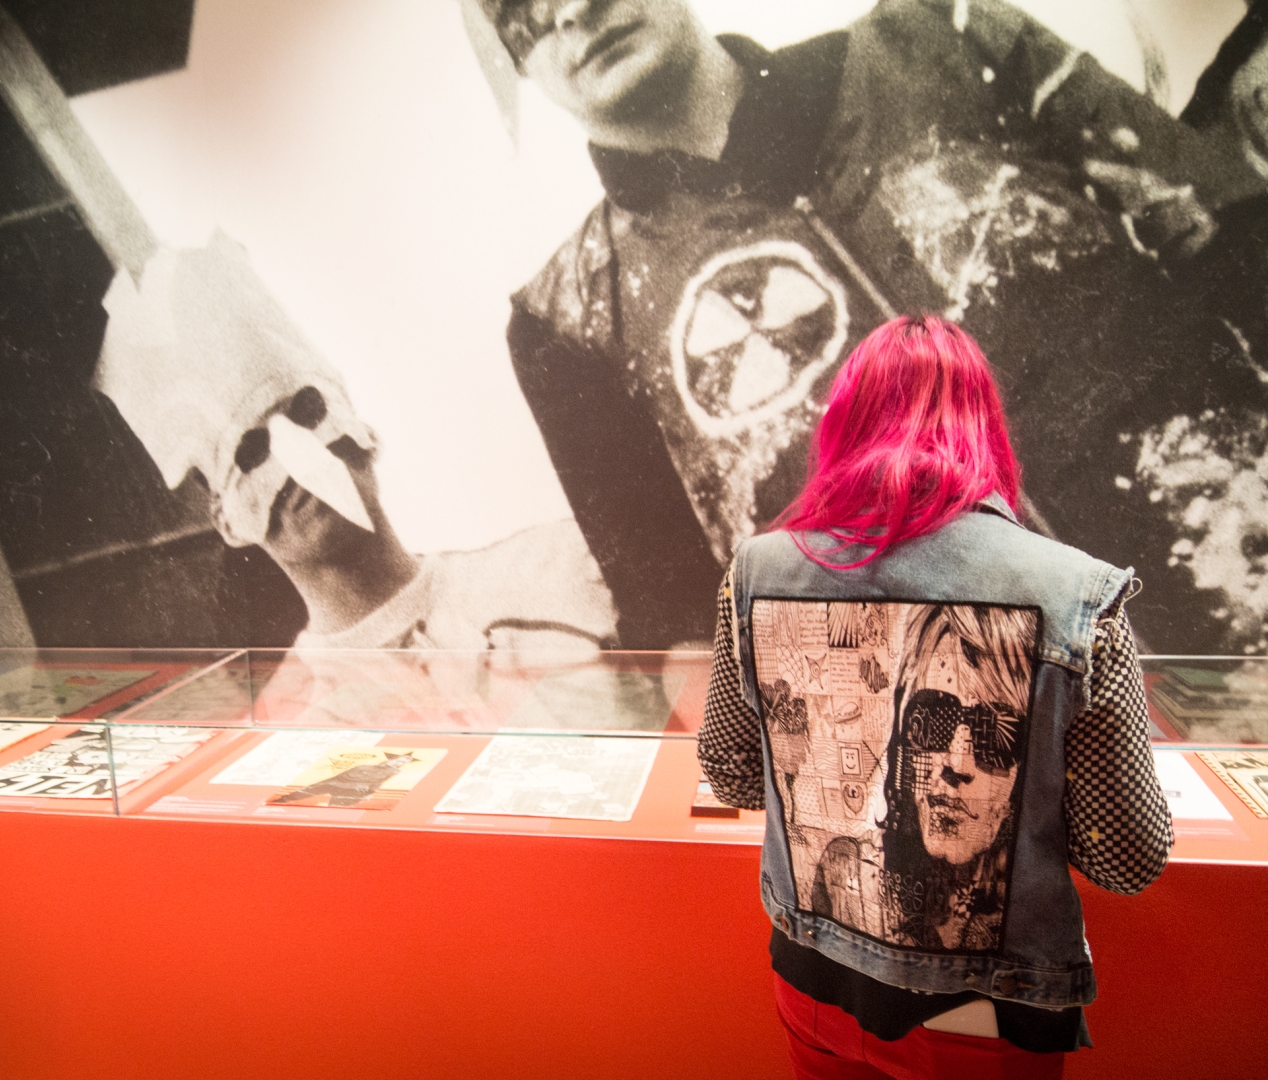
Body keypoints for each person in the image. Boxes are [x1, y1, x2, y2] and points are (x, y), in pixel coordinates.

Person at [476, 0, 1266, 653]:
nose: (573, 10)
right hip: (975, 743)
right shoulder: (566, 321)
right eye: (522, 9)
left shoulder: (950, 39)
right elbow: (679, 630)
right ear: (510, 57)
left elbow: (1235, 240)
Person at [698, 315, 1173, 1078]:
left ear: (842, 426)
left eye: (986, 736)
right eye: (932, 725)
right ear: (985, 429)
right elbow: (1129, 857)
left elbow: (732, 774)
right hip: (982, 1010)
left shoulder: (757, 571)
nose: (952, 760)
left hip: (813, 980)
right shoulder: (1074, 594)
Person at [94, 232, 617, 655]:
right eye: (251, 451)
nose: (295, 459)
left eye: (306, 410)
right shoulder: (298, 724)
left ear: (362, 428)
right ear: (227, 521)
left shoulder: (570, 563)